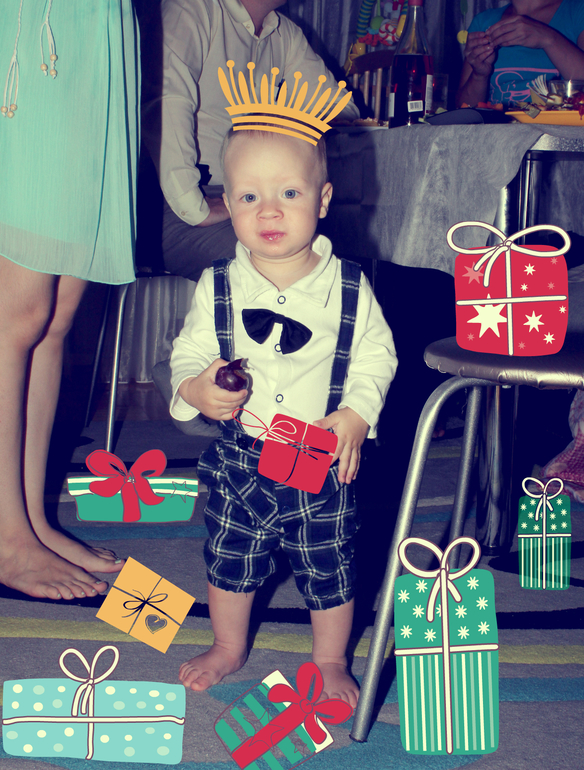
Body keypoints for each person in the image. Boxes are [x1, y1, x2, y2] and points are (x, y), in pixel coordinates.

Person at [169, 127, 397, 705]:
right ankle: (227, 645)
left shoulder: (349, 285)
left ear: (322, 199)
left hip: (321, 461)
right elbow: (189, 352)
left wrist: (357, 414)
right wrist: (195, 386)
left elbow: (376, 355)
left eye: (289, 193)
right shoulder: (218, 283)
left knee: (330, 560)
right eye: (249, 196)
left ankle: (329, 658)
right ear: (228, 205)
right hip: (241, 457)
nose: (268, 210)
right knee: (229, 555)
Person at [0, 1, 139, 599]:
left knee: (55, 318)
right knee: (16, 316)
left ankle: (30, 518)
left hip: (97, 34)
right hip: (33, 31)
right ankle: (6, 536)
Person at [141, 0, 359, 281]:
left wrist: (282, 127)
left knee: (337, 265)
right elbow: (165, 102)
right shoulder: (192, 9)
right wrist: (197, 208)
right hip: (173, 202)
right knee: (286, 271)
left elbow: (341, 109)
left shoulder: (284, 33)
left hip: (260, 196)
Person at [457, 0, 584, 107]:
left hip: (556, 129)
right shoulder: (483, 21)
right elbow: (463, 112)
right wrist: (479, 76)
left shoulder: (577, 10)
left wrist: (548, 39)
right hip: (497, 128)